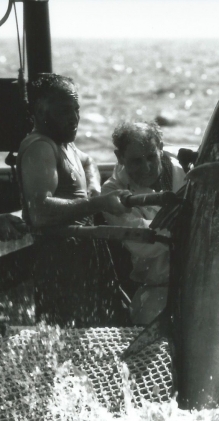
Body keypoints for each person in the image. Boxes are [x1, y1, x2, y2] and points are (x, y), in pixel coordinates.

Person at [16, 73, 132, 327]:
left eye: (76, 109)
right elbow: (40, 211)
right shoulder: (40, 147)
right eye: (64, 111)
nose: (74, 118)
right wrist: (99, 204)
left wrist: (93, 188)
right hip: (59, 266)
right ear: (38, 111)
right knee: (69, 339)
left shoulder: (65, 144)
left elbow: (88, 161)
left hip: (84, 256)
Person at [101, 121, 186, 325]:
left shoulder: (188, 168)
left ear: (161, 148)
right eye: (136, 161)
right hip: (158, 287)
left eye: (151, 157)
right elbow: (142, 244)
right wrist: (185, 221)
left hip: (203, 280)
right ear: (120, 157)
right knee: (150, 322)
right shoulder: (112, 192)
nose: (147, 167)